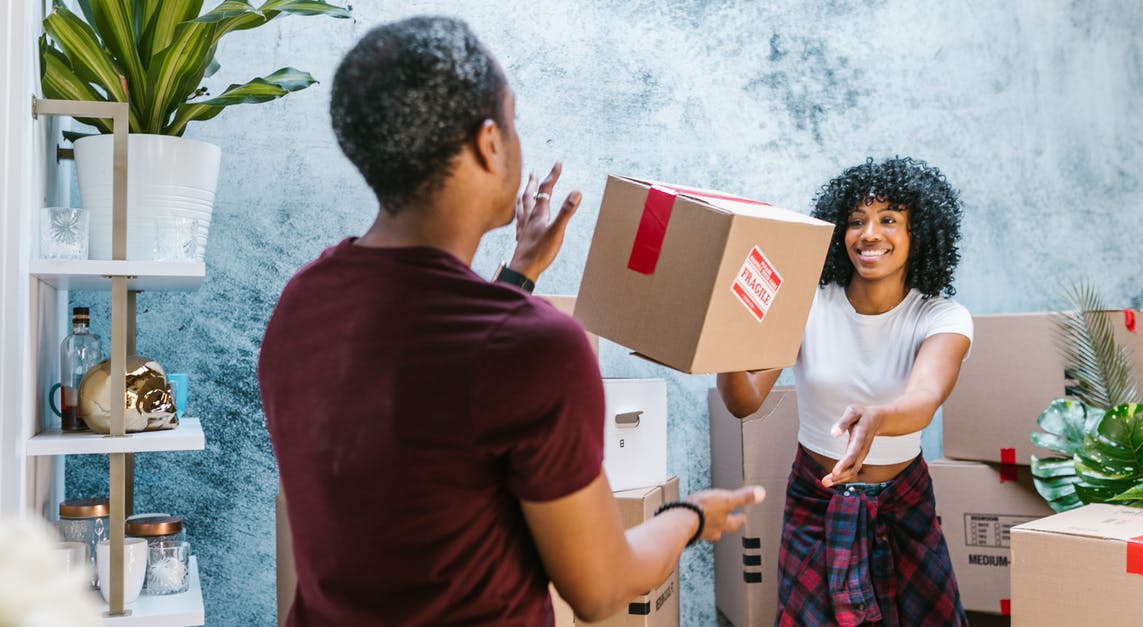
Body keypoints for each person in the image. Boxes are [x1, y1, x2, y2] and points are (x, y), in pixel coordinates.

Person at [258, 16, 764, 627]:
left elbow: (426, 419)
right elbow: (601, 590)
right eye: (514, 121)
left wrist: (518, 274)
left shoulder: (302, 303)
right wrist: (690, 517)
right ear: (489, 142)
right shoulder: (537, 349)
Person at [717, 157, 972, 626]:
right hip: (816, 503)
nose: (869, 234)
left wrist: (877, 418)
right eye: (856, 221)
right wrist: (721, 343)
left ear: (921, 233)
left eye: (889, 220)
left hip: (904, 506)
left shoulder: (941, 317)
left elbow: (926, 396)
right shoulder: (805, 303)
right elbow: (744, 400)